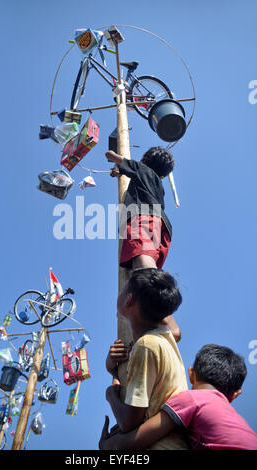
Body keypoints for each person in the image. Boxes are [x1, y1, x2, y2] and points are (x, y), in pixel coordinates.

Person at [100, 344, 257, 451]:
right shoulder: (237, 420)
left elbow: (137, 439)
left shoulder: (191, 400)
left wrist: (106, 445)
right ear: (234, 395)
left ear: (191, 374)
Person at [104, 268, 189, 450]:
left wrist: (111, 394)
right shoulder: (162, 339)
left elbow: (128, 423)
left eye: (123, 290)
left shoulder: (146, 346)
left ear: (129, 299)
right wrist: (112, 367)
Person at [105, 147, 180, 342]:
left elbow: (117, 158)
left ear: (145, 161)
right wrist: (122, 170)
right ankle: (150, 324)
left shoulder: (143, 170)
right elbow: (130, 170)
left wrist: (116, 159)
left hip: (143, 217)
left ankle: (168, 322)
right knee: (142, 275)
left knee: (144, 268)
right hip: (160, 226)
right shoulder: (154, 182)